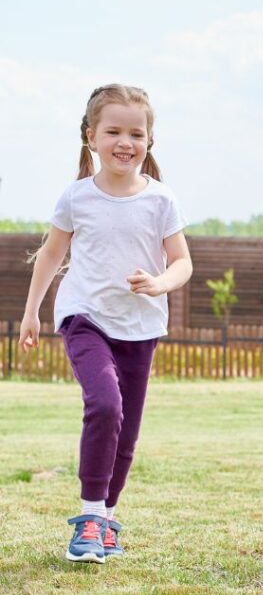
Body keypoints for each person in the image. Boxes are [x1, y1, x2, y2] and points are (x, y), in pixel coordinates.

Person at [19, 84, 192, 564]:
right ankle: (90, 516)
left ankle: (108, 519)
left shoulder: (161, 200)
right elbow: (52, 254)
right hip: (85, 318)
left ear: (149, 141)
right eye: (113, 131)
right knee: (104, 405)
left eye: (136, 133)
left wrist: (160, 283)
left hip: (140, 327)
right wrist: (32, 310)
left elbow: (182, 262)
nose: (125, 141)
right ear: (91, 136)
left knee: (127, 431)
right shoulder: (77, 197)